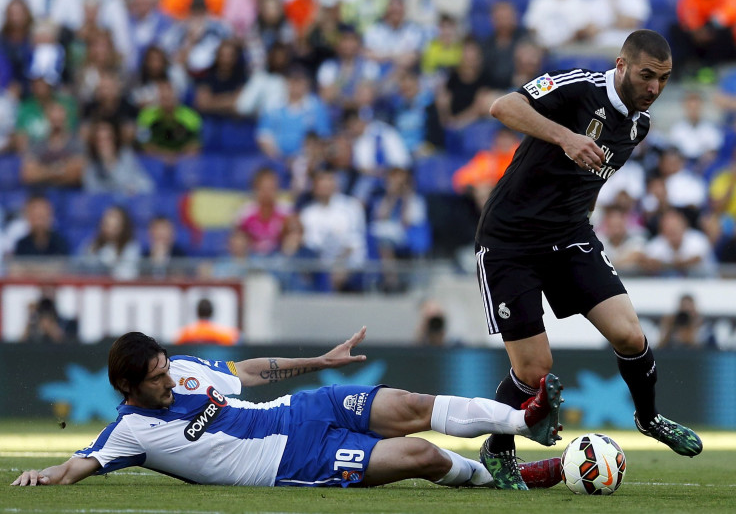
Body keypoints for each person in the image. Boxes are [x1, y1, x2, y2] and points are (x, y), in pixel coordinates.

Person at [474, 29, 702, 491]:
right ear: (621, 65)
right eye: (646, 75)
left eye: (664, 79)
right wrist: (565, 138)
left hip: (570, 237)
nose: (655, 89)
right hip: (509, 240)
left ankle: (649, 418)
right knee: (534, 368)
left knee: (629, 333)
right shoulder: (578, 86)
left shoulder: (639, 126)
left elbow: (584, 181)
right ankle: (496, 448)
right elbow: (502, 106)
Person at [11, 327, 563, 488]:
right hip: (294, 462)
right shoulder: (129, 430)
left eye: (165, 367)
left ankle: (523, 421)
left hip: (299, 409)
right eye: (157, 378)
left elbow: (248, 373)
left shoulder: (180, 368)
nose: (169, 380)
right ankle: (496, 478)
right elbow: (76, 465)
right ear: (130, 386)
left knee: (411, 403)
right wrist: (42, 475)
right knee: (421, 454)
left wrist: (322, 362)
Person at [174, 297, 239, 345]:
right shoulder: (224, 334)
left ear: (197, 312)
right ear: (212, 312)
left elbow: (177, 346)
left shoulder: (185, 333)